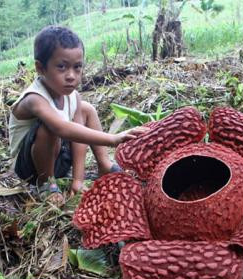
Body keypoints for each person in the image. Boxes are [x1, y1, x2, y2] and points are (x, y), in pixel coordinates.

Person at [9, 26, 145, 205]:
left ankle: (104, 164)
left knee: (87, 108)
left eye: (77, 67)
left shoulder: (73, 97)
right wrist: (112, 139)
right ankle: (46, 184)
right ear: (40, 68)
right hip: (30, 169)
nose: (71, 76)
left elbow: (78, 138)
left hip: (59, 160)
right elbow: (61, 128)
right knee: (49, 128)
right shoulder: (34, 99)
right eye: (62, 67)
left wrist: (78, 180)